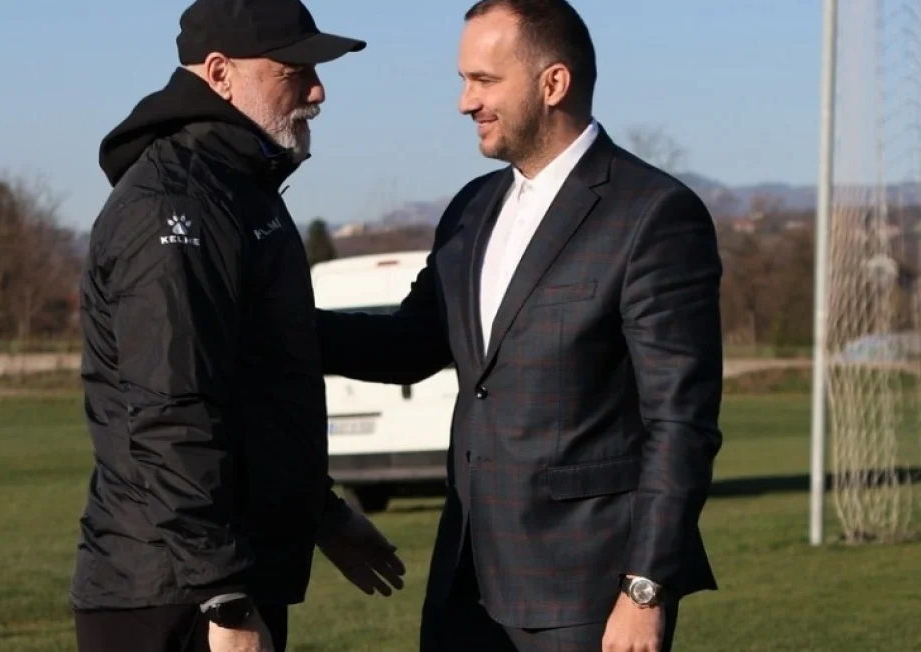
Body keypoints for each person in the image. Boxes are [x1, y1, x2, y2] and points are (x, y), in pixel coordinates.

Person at [315, 1, 724, 650]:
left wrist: (645, 586)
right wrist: (274, 323)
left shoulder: (653, 214)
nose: (464, 102)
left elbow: (680, 423)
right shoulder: (470, 209)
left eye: (483, 80)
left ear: (552, 83)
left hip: (588, 595)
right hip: (463, 588)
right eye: (463, 80)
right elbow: (409, 344)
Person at [70, 1, 405, 651]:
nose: (317, 90)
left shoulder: (235, 190)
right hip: (172, 594)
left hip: (215, 578)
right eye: (294, 71)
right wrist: (223, 596)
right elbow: (173, 413)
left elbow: (266, 363)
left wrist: (321, 512)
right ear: (220, 72)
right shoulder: (174, 205)